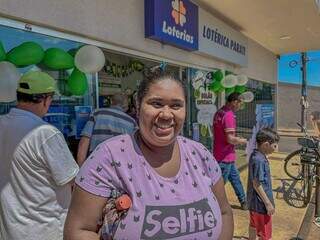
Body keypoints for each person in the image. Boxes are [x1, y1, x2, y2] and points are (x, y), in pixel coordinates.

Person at [64, 68, 234, 240]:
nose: (166, 114)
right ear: (138, 106)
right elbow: (78, 231)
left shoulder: (200, 155)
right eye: (157, 104)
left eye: (176, 105)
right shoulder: (108, 157)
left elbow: (225, 212)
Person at [0, 71, 79, 240]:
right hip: (45, 229)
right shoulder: (45, 133)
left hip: (10, 229)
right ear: (45, 99)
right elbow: (72, 179)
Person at [77, 93, 137, 166]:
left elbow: (83, 143)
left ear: (111, 102)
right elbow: (136, 151)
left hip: (95, 166)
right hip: (121, 169)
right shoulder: (132, 122)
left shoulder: (97, 113)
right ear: (126, 106)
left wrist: (81, 169)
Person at [212, 92, 248, 210]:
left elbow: (216, 132)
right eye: (240, 104)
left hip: (222, 153)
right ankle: (211, 204)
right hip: (225, 156)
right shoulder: (228, 115)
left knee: (235, 178)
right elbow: (230, 139)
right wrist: (243, 141)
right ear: (234, 102)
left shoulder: (219, 112)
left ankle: (243, 201)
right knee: (220, 184)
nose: (240, 107)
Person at [247, 128, 279, 240]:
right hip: (261, 205)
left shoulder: (254, 155)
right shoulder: (259, 160)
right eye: (274, 146)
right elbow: (257, 183)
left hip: (253, 202)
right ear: (266, 145)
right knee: (265, 234)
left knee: (253, 225)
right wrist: (268, 203)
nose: (276, 149)